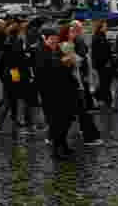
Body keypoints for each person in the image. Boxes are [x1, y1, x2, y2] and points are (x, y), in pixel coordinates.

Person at [36, 23, 77, 159]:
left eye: (56, 38)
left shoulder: (57, 49)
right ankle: (56, 150)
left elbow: (65, 66)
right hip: (50, 93)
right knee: (56, 122)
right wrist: (61, 63)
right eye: (52, 38)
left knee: (67, 119)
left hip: (64, 90)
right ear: (45, 39)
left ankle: (63, 144)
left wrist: (69, 62)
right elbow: (45, 71)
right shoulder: (41, 51)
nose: (54, 41)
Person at [0, 22, 32, 132]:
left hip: (8, 73)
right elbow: (18, 59)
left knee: (10, 100)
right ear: (18, 32)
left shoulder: (7, 41)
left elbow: (1, 60)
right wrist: (26, 57)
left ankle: (4, 123)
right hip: (14, 73)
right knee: (11, 100)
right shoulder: (16, 42)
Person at [69, 20, 96, 110]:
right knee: (83, 86)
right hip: (79, 67)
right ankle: (87, 106)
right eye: (80, 28)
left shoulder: (76, 38)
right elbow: (82, 54)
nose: (82, 29)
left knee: (83, 86)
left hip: (80, 66)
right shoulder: (77, 39)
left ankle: (86, 105)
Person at [91, 20, 115, 109]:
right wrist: (105, 62)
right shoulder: (97, 38)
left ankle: (99, 96)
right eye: (105, 26)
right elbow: (98, 53)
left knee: (105, 83)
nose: (106, 27)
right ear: (100, 27)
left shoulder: (102, 36)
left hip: (105, 64)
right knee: (105, 83)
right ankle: (108, 102)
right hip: (103, 65)